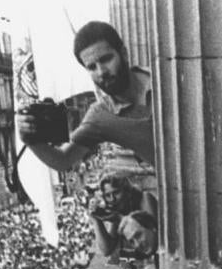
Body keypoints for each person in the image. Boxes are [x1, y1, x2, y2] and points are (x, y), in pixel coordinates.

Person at [16, 22, 154, 170]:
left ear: (124, 54)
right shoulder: (101, 116)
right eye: (92, 67)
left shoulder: (163, 77)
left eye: (106, 59)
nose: (101, 72)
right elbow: (63, 160)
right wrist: (30, 140)